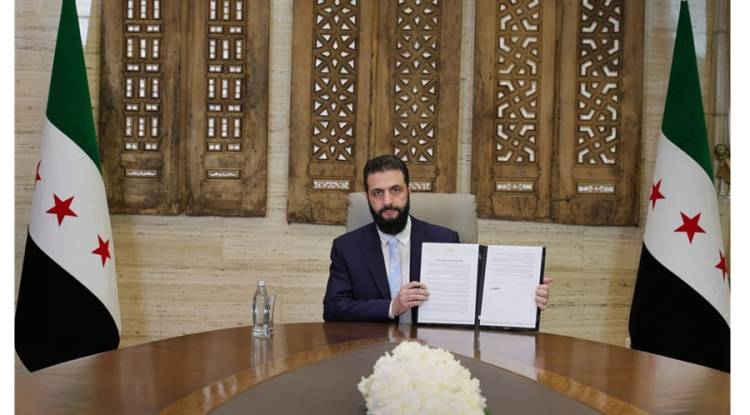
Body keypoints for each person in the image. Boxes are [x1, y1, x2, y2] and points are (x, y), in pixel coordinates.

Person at [323, 155, 552, 322]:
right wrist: (393, 306)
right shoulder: (346, 247)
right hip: (369, 349)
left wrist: (524, 294)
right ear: (367, 197)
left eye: (396, 190)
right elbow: (333, 309)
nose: (388, 201)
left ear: (409, 191)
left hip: (432, 351)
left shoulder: (445, 239)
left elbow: (476, 298)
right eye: (377, 193)